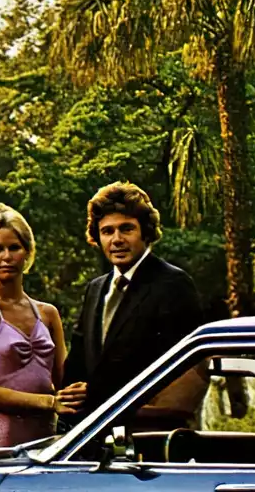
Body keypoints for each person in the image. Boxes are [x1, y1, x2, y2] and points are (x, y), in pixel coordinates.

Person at [63, 181, 205, 422]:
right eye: (107, 231)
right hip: (93, 430)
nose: (116, 239)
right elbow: (78, 363)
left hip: (149, 429)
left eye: (126, 229)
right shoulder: (95, 289)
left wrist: (97, 393)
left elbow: (181, 370)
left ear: (145, 232)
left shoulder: (173, 284)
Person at [0, 204, 83, 448]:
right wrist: (48, 402)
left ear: (27, 251)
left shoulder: (48, 314)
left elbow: (65, 383)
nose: (6, 257)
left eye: (14, 247)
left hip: (47, 440)